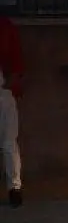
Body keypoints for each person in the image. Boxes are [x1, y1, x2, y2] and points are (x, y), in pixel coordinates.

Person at [0, 16, 22, 208]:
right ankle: (14, 188)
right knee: (9, 142)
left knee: (9, 142)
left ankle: (15, 188)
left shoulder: (5, 27)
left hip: (4, 88)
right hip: (4, 88)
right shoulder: (5, 26)